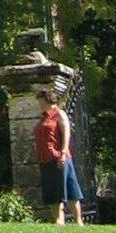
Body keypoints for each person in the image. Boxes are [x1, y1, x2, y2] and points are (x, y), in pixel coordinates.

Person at [33, 88, 85, 225]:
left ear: (46, 99)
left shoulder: (59, 114)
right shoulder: (44, 117)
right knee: (53, 192)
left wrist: (62, 154)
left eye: (40, 101)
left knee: (70, 190)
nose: (39, 104)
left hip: (58, 158)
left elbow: (66, 134)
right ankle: (58, 220)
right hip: (45, 159)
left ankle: (78, 221)